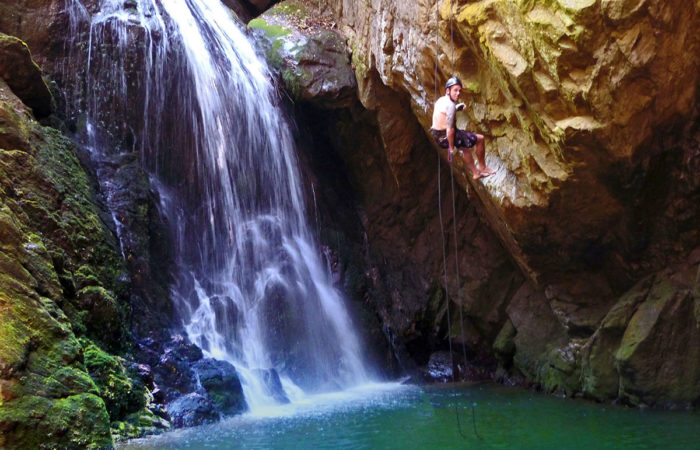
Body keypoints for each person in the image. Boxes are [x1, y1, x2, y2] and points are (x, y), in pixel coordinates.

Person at [430, 76, 495, 180]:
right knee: (480, 139)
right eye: (455, 90)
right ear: (448, 90)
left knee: (465, 148)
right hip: (447, 136)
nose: (458, 93)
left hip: (438, 136)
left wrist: (457, 108)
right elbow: (450, 130)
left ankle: (476, 173)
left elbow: (444, 113)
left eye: (459, 91)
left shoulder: (441, 100)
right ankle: (482, 168)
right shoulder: (450, 105)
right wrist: (451, 148)